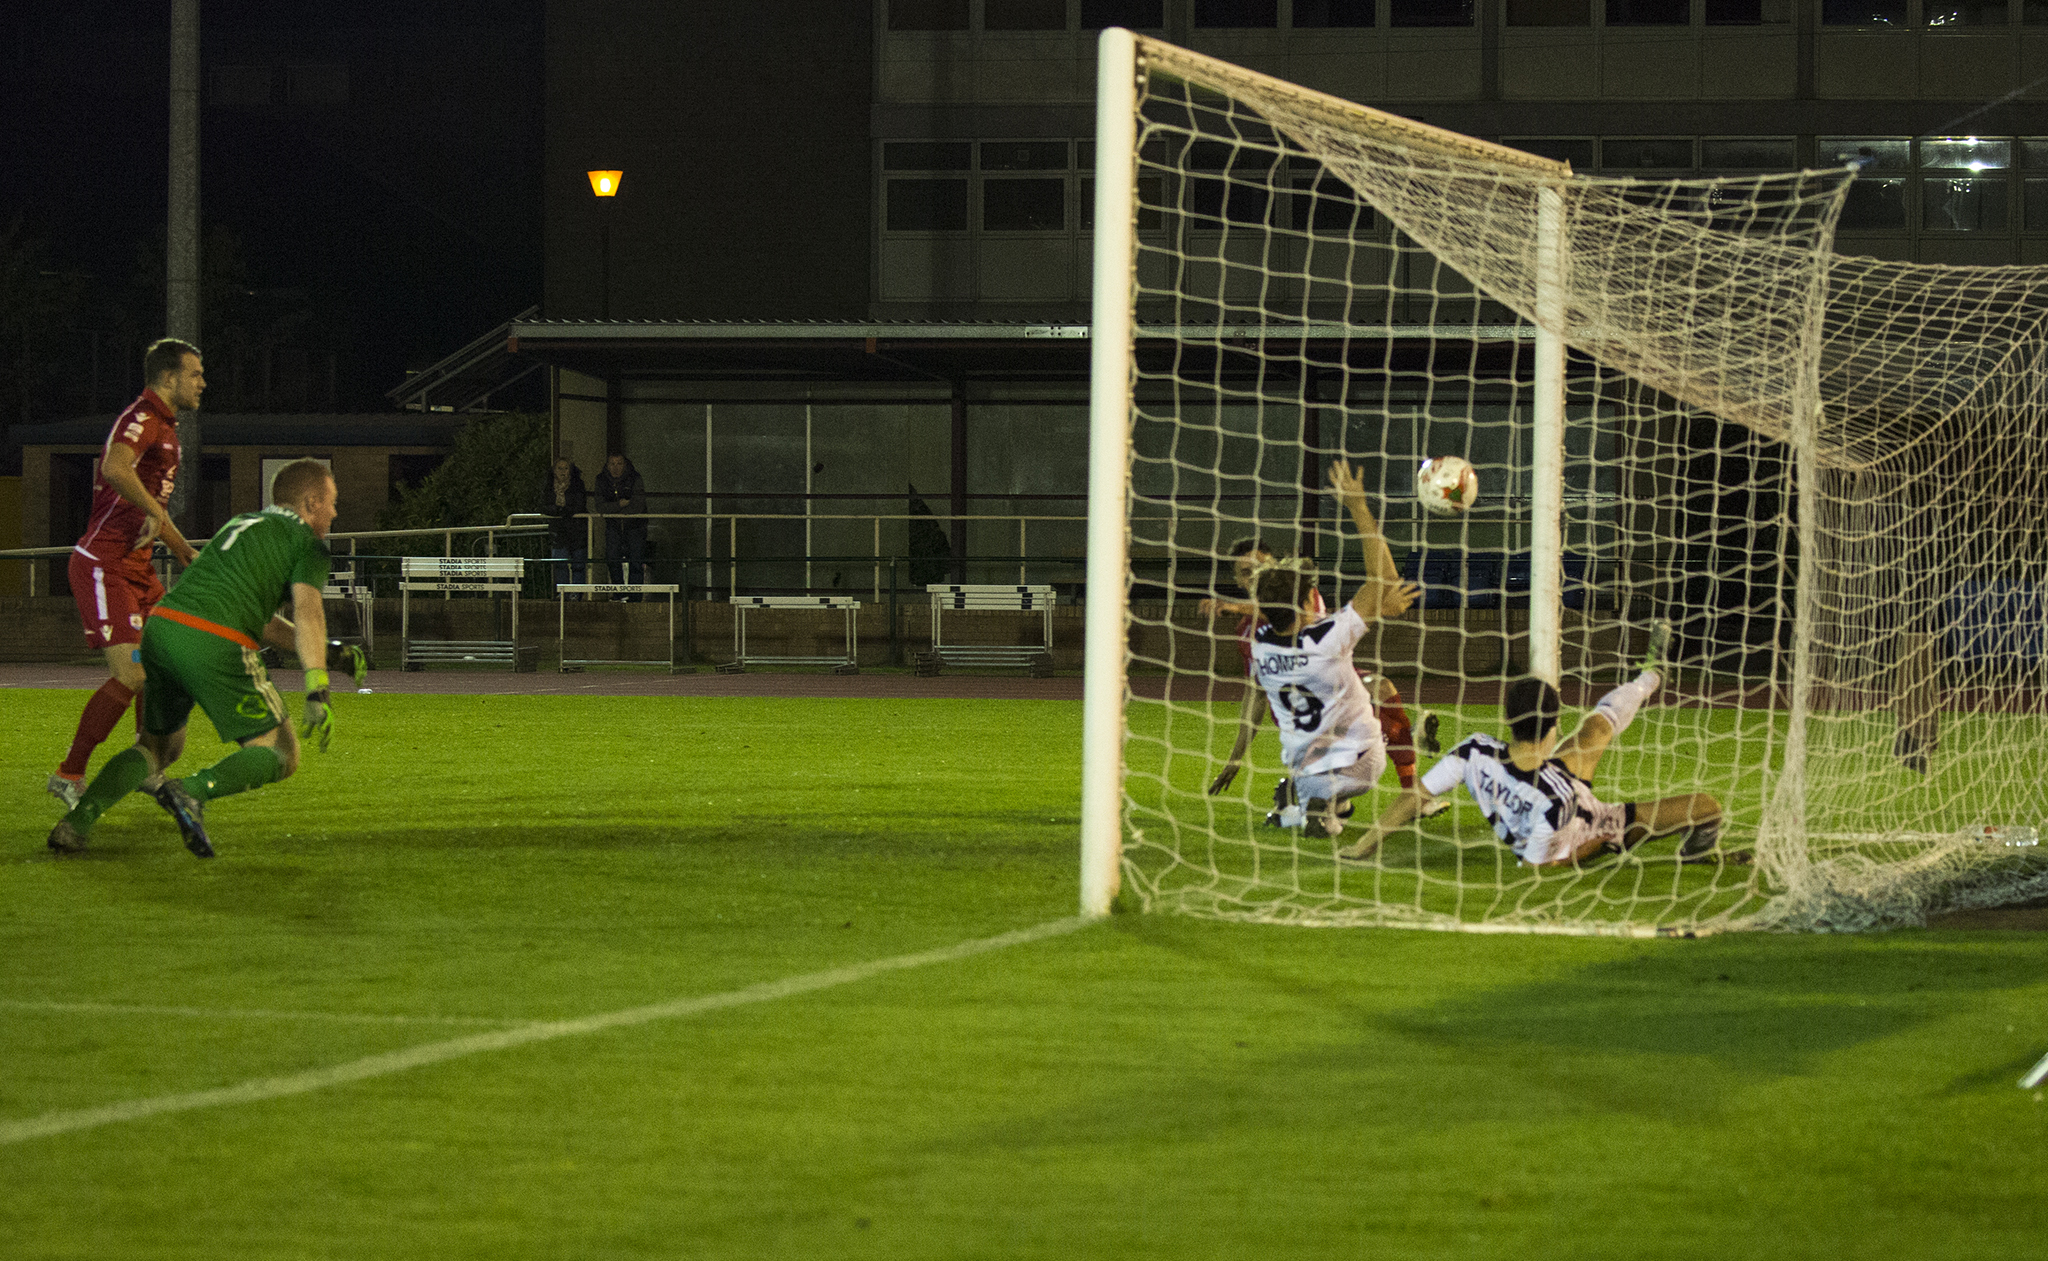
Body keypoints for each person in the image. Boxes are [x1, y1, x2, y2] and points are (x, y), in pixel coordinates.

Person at [46, 459, 349, 859]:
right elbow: (309, 612)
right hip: (215, 643)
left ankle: (75, 823)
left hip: (163, 629)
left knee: (157, 748)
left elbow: (259, 621)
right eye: (332, 502)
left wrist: (328, 651)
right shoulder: (308, 545)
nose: (335, 512)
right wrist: (317, 685)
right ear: (310, 502)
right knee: (281, 752)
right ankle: (189, 793)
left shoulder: (240, 524)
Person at [1338, 622, 1736, 867]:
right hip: (1591, 823)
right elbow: (1545, 868)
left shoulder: (1473, 750)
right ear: (1551, 732)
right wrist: (1595, 848)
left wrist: (1365, 843)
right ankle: (1697, 852)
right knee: (1707, 807)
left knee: (1595, 731)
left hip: (1549, 780)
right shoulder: (1557, 802)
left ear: (1508, 719)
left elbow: (1414, 796)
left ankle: (1649, 676)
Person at [1207, 463, 1442, 825]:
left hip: (1302, 721)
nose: (1256, 576)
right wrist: (1358, 508)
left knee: (1379, 689)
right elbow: (1366, 594)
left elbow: (1271, 620)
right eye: (1246, 573)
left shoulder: (1258, 642)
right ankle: (1381, 785)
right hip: (1324, 702)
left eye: (1262, 569)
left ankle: (1306, 800)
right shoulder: (1303, 609)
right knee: (1375, 704)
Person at [47, 338, 205, 810]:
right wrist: (154, 511)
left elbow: (150, 506)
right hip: (105, 565)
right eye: (195, 374)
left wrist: (181, 550)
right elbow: (115, 468)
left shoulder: (168, 429)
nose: (202, 383)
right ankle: (68, 774)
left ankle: (147, 766)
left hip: (138, 572)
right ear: (170, 377)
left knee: (162, 668)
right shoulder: (140, 417)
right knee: (132, 674)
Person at [595, 453, 647, 596]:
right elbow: (600, 507)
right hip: (613, 527)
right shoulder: (601, 480)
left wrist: (615, 509)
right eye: (612, 464)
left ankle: (635, 597)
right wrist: (620, 504)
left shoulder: (635, 478)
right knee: (612, 559)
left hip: (635, 526)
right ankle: (619, 593)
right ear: (607, 465)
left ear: (625, 465)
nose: (615, 467)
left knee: (636, 562)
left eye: (619, 464)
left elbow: (638, 505)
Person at [540, 456, 589, 594]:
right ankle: (563, 595)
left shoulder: (577, 484)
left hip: (577, 530)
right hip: (558, 531)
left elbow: (579, 505)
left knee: (578, 566)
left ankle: (577, 595)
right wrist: (559, 510)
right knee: (560, 564)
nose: (563, 471)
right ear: (554, 471)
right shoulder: (548, 486)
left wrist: (562, 510)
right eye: (559, 468)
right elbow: (544, 506)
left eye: (565, 468)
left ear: (570, 470)